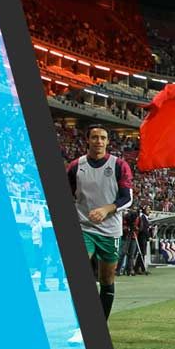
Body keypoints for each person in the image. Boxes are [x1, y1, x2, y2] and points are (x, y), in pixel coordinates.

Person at [67, 123, 133, 320]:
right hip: (84, 227)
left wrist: (106, 209)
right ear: (87, 140)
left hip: (110, 230)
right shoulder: (76, 166)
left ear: (108, 141)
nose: (99, 141)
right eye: (95, 137)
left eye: (103, 138)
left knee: (106, 278)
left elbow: (127, 198)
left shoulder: (119, 165)